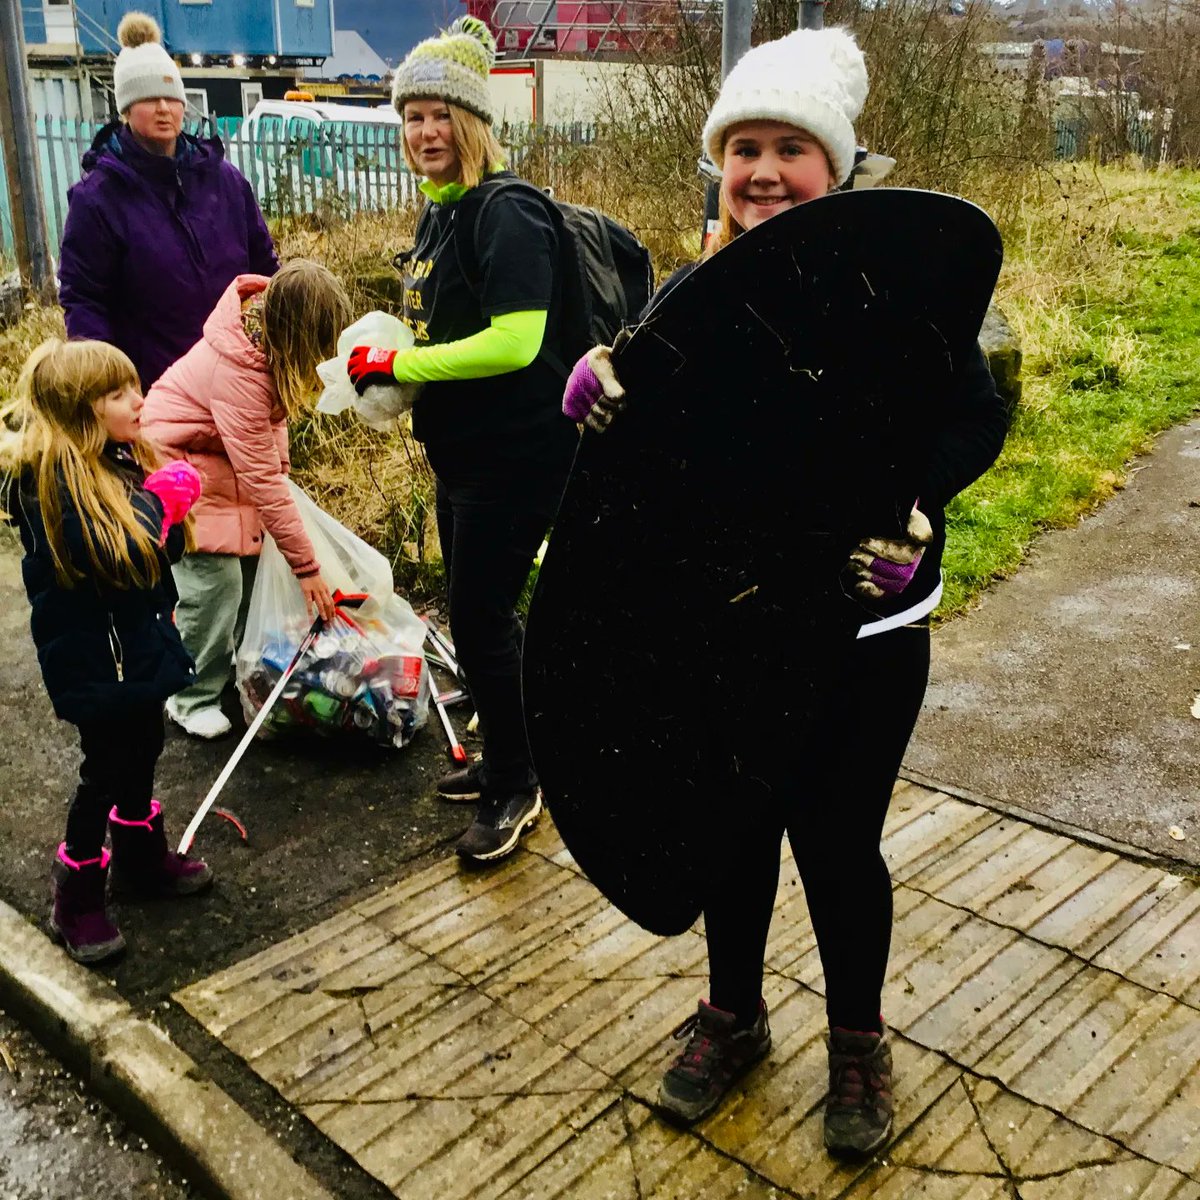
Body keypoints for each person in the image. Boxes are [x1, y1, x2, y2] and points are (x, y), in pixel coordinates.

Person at [561, 27, 1010, 1158]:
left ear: (836, 163)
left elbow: (975, 414)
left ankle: (857, 1040)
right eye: (743, 149)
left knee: (839, 842)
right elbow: (654, 428)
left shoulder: (898, 285)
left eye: (789, 149)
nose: (762, 172)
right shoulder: (694, 290)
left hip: (867, 621)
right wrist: (603, 388)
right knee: (732, 823)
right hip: (730, 618)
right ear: (719, 164)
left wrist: (918, 507)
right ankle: (734, 1014)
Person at [346, 17, 580, 864]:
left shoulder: (506, 212)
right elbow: (444, 325)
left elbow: (516, 343)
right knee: (478, 616)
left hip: (518, 457)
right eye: (412, 117)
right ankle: (508, 759)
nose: (424, 132)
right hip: (464, 454)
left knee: (482, 620)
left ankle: (518, 783)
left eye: (440, 114)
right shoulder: (440, 214)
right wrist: (386, 361)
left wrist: (400, 362)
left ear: (474, 120)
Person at [2, 339, 213, 965]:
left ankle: (141, 861)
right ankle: (76, 897)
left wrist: (171, 520)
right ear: (82, 411)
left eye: (134, 387)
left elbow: (154, 559)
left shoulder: (119, 459)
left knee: (144, 745)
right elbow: (108, 556)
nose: (138, 400)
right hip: (96, 657)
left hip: (136, 644)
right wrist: (158, 505)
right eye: (119, 394)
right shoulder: (50, 486)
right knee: (104, 769)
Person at [140, 260, 348, 739]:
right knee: (216, 584)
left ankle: (234, 661)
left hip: (217, 457)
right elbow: (260, 475)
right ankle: (189, 695)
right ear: (297, 335)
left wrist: (282, 472)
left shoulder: (265, 345)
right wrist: (306, 566)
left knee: (254, 572)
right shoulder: (240, 372)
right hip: (175, 468)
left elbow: (272, 423)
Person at [58, 11, 278, 393]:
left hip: (239, 379)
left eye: (171, 97)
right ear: (126, 109)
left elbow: (265, 269)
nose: (163, 108)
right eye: (148, 98)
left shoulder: (224, 180)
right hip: (154, 391)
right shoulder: (98, 200)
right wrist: (109, 389)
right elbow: (84, 302)